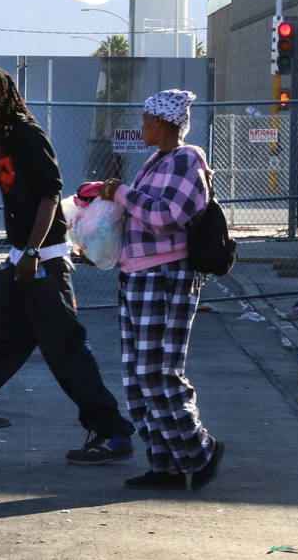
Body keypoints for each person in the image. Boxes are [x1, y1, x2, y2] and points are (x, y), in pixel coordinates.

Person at [0, 65, 135, 462]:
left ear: (10, 95)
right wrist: (22, 255)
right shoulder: (0, 138)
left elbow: (51, 194)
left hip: (43, 261)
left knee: (66, 352)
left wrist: (32, 252)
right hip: (20, 261)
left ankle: (112, 433)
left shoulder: (28, 136)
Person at [96, 89, 224, 491]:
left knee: (157, 373)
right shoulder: (155, 161)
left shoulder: (188, 160)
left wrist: (120, 192)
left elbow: (167, 216)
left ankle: (198, 450)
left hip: (166, 278)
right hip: (137, 276)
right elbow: (140, 212)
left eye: (147, 118)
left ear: (164, 123)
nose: (142, 125)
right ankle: (164, 464)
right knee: (136, 377)